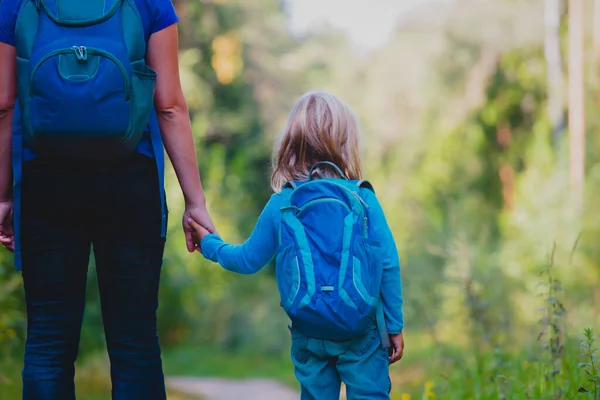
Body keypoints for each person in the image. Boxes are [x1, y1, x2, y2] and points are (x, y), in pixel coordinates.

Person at [0, 0, 215, 398]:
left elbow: (3, 103)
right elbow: (169, 105)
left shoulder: (15, 3)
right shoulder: (151, 3)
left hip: (45, 181)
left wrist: (3, 197)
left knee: (48, 340)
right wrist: (195, 201)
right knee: (135, 340)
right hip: (131, 180)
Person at [188, 91, 405, 400]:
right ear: (347, 143)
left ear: (292, 143)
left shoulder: (283, 203)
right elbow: (388, 262)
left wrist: (209, 243)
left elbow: (247, 259)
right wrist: (394, 325)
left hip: (309, 331)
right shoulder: (364, 199)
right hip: (361, 331)